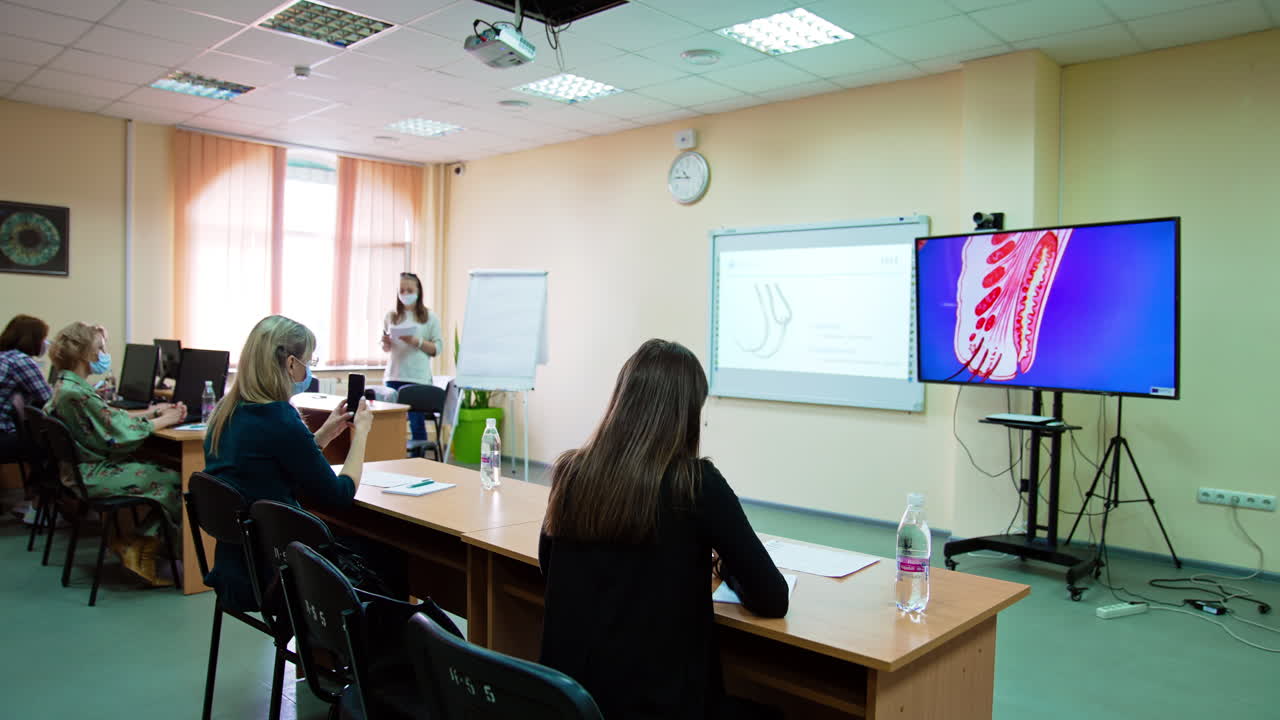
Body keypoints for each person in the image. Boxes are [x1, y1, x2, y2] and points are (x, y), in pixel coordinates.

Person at [539, 339, 790, 720]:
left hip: (574, 705)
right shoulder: (697, 484)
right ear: (685, 415)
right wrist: (724, 568)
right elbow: (772, 597)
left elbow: (550, 565)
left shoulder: (572, 472)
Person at [203, 314, 395, 612]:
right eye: (309, 360)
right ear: (291, 363)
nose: (309, 369)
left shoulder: (228, 411)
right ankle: (363, 653)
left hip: (235, 568)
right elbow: (339, 495)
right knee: (387, 552)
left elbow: (268, 465)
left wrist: (323, 435)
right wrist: (362, 436)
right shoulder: (279, 417)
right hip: (276, 573)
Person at [45, 322, 187, 586]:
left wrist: (153, 413)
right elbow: (118, 434)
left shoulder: (67, 386)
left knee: (160, 469)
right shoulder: (77, 395)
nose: (104, 353)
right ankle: (139, 545)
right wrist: (164, 420)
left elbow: (111, 419)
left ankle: (134, 542)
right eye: (100, 348)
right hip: (93, 475)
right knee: (177, 480)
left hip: (80, 471)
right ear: (85, 354)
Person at [380, 272, 443, 449]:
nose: (405, 294)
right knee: (389, 422)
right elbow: (386, 347)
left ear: (418, 291)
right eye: (402, 290)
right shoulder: (391, 316)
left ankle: (418, 460)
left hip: (417, 379)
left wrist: (417, 341)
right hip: (393, 376)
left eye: (409, 290)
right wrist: (385, 342)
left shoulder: (430, 317)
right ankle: (390, 454)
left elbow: (437, 348)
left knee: (416, 423)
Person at [0, 314, 54, 460]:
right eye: (43, 339)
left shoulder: (4, 357)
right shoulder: (20, 360)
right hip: (3, 435)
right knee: (59, 443)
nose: (45, 344)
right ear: (33, 339)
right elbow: (50, 401)